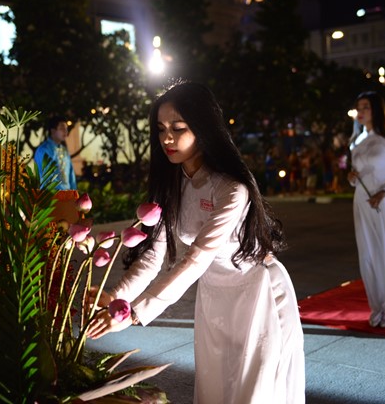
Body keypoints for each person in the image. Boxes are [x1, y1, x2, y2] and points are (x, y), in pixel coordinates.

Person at [87, 81, 305, 404]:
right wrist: (116, 299)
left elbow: (195, 260)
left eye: (178, 128)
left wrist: (134, 314)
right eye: (161, 129)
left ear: (202, 128)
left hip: (258, 295)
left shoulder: (232, 189)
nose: (167, 138)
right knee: (216, 389)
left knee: (253, 393)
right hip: (214, 299)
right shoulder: (171, 185)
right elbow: (152, 257)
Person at [347, 91, 385, 328]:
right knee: (368, 254)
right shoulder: (356, 141)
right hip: (362, 200)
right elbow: (355, 177)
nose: (360, 111)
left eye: (366, 107)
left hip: (383, 199)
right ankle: (377, 307)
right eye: (358, 107)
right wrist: (352, 178)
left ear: (376, 110)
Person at [33, 115, 77, 191]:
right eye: (62, 128)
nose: (66, 131)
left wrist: (74, 192)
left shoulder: (64, 150)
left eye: (66, 129)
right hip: (50, 195)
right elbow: (46, 177)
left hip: (67, 194)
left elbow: (71, 173)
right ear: (53, 131)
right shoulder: (43, 150)